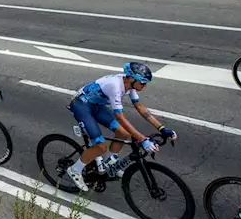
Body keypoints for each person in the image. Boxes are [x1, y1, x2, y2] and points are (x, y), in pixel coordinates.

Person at [63, 62, 176, 191]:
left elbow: (140, 107)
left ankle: (108, 164)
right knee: (100, 146)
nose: (144, 86)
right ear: (132, 79)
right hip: (81, 106)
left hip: (96, 106)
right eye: (143, 83)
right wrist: (142, 139)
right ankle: (74, 170)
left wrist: (161, 128)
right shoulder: (115, 86)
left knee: (124, 134)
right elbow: (120, 117)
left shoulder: (130, 85)